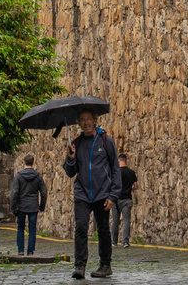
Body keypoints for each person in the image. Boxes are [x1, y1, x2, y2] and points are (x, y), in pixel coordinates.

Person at [62, 107, 120, 280]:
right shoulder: (77, 144)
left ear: (94, 120)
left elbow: (115, 169)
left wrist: (113, 195)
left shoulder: (106, 141)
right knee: (81, 227)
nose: (85, 122)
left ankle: (105, 265)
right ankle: (80, 266)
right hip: (82, 193)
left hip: (102, 192)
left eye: (88, 118)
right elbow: (70, 172)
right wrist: (70, 158)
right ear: (79, 123)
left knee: (103, 229)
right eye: (82, 119)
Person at [8, 153, 48, 256]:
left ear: (23, 162)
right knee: (32, 229)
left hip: (21, 206)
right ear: (33, 163)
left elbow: (15, 193)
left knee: (20, 228)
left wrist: (13, 207)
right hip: (33, 206)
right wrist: (42, 206)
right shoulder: (38, 176)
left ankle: (20, 250)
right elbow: (43, 192)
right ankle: (30, 251)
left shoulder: (18, 176)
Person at [112, 156, 138, 247]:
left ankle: (114, 241)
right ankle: (125, 241)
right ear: (126, 161)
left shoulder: (116, 173)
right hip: (127, 199)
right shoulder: (132, 173)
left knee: (115, 221)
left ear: (118, 161)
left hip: (116, 199)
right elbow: (135, 186)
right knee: (126, 220)